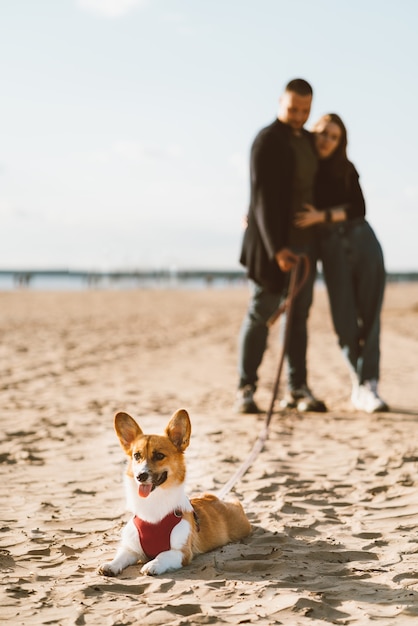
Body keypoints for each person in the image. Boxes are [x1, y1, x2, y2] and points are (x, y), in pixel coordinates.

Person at [236, 78, 326, 414]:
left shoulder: (308, 141)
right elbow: (260, 198)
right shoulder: (266, 140)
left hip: (305, 245)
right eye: (292, 109)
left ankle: (297, 388)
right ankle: (245, 390)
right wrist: (277, 250)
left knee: (298, 318)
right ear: (279, 102)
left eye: (305, 110)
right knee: (261, 313)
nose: (299, 116)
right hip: (270, 247)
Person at [294, 113, 388, 413]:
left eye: (334, 136)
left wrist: (323, 216)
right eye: (322, 133)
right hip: (330, 248)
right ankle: (359, 381)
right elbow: (277, 194)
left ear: (340, 141)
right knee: (344, 321)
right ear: (313, 133)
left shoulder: (345, 168)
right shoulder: (303, 166)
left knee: (371, 318)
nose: (326, 140)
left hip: (362, 241)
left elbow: (359, 208)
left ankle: (367, 386)